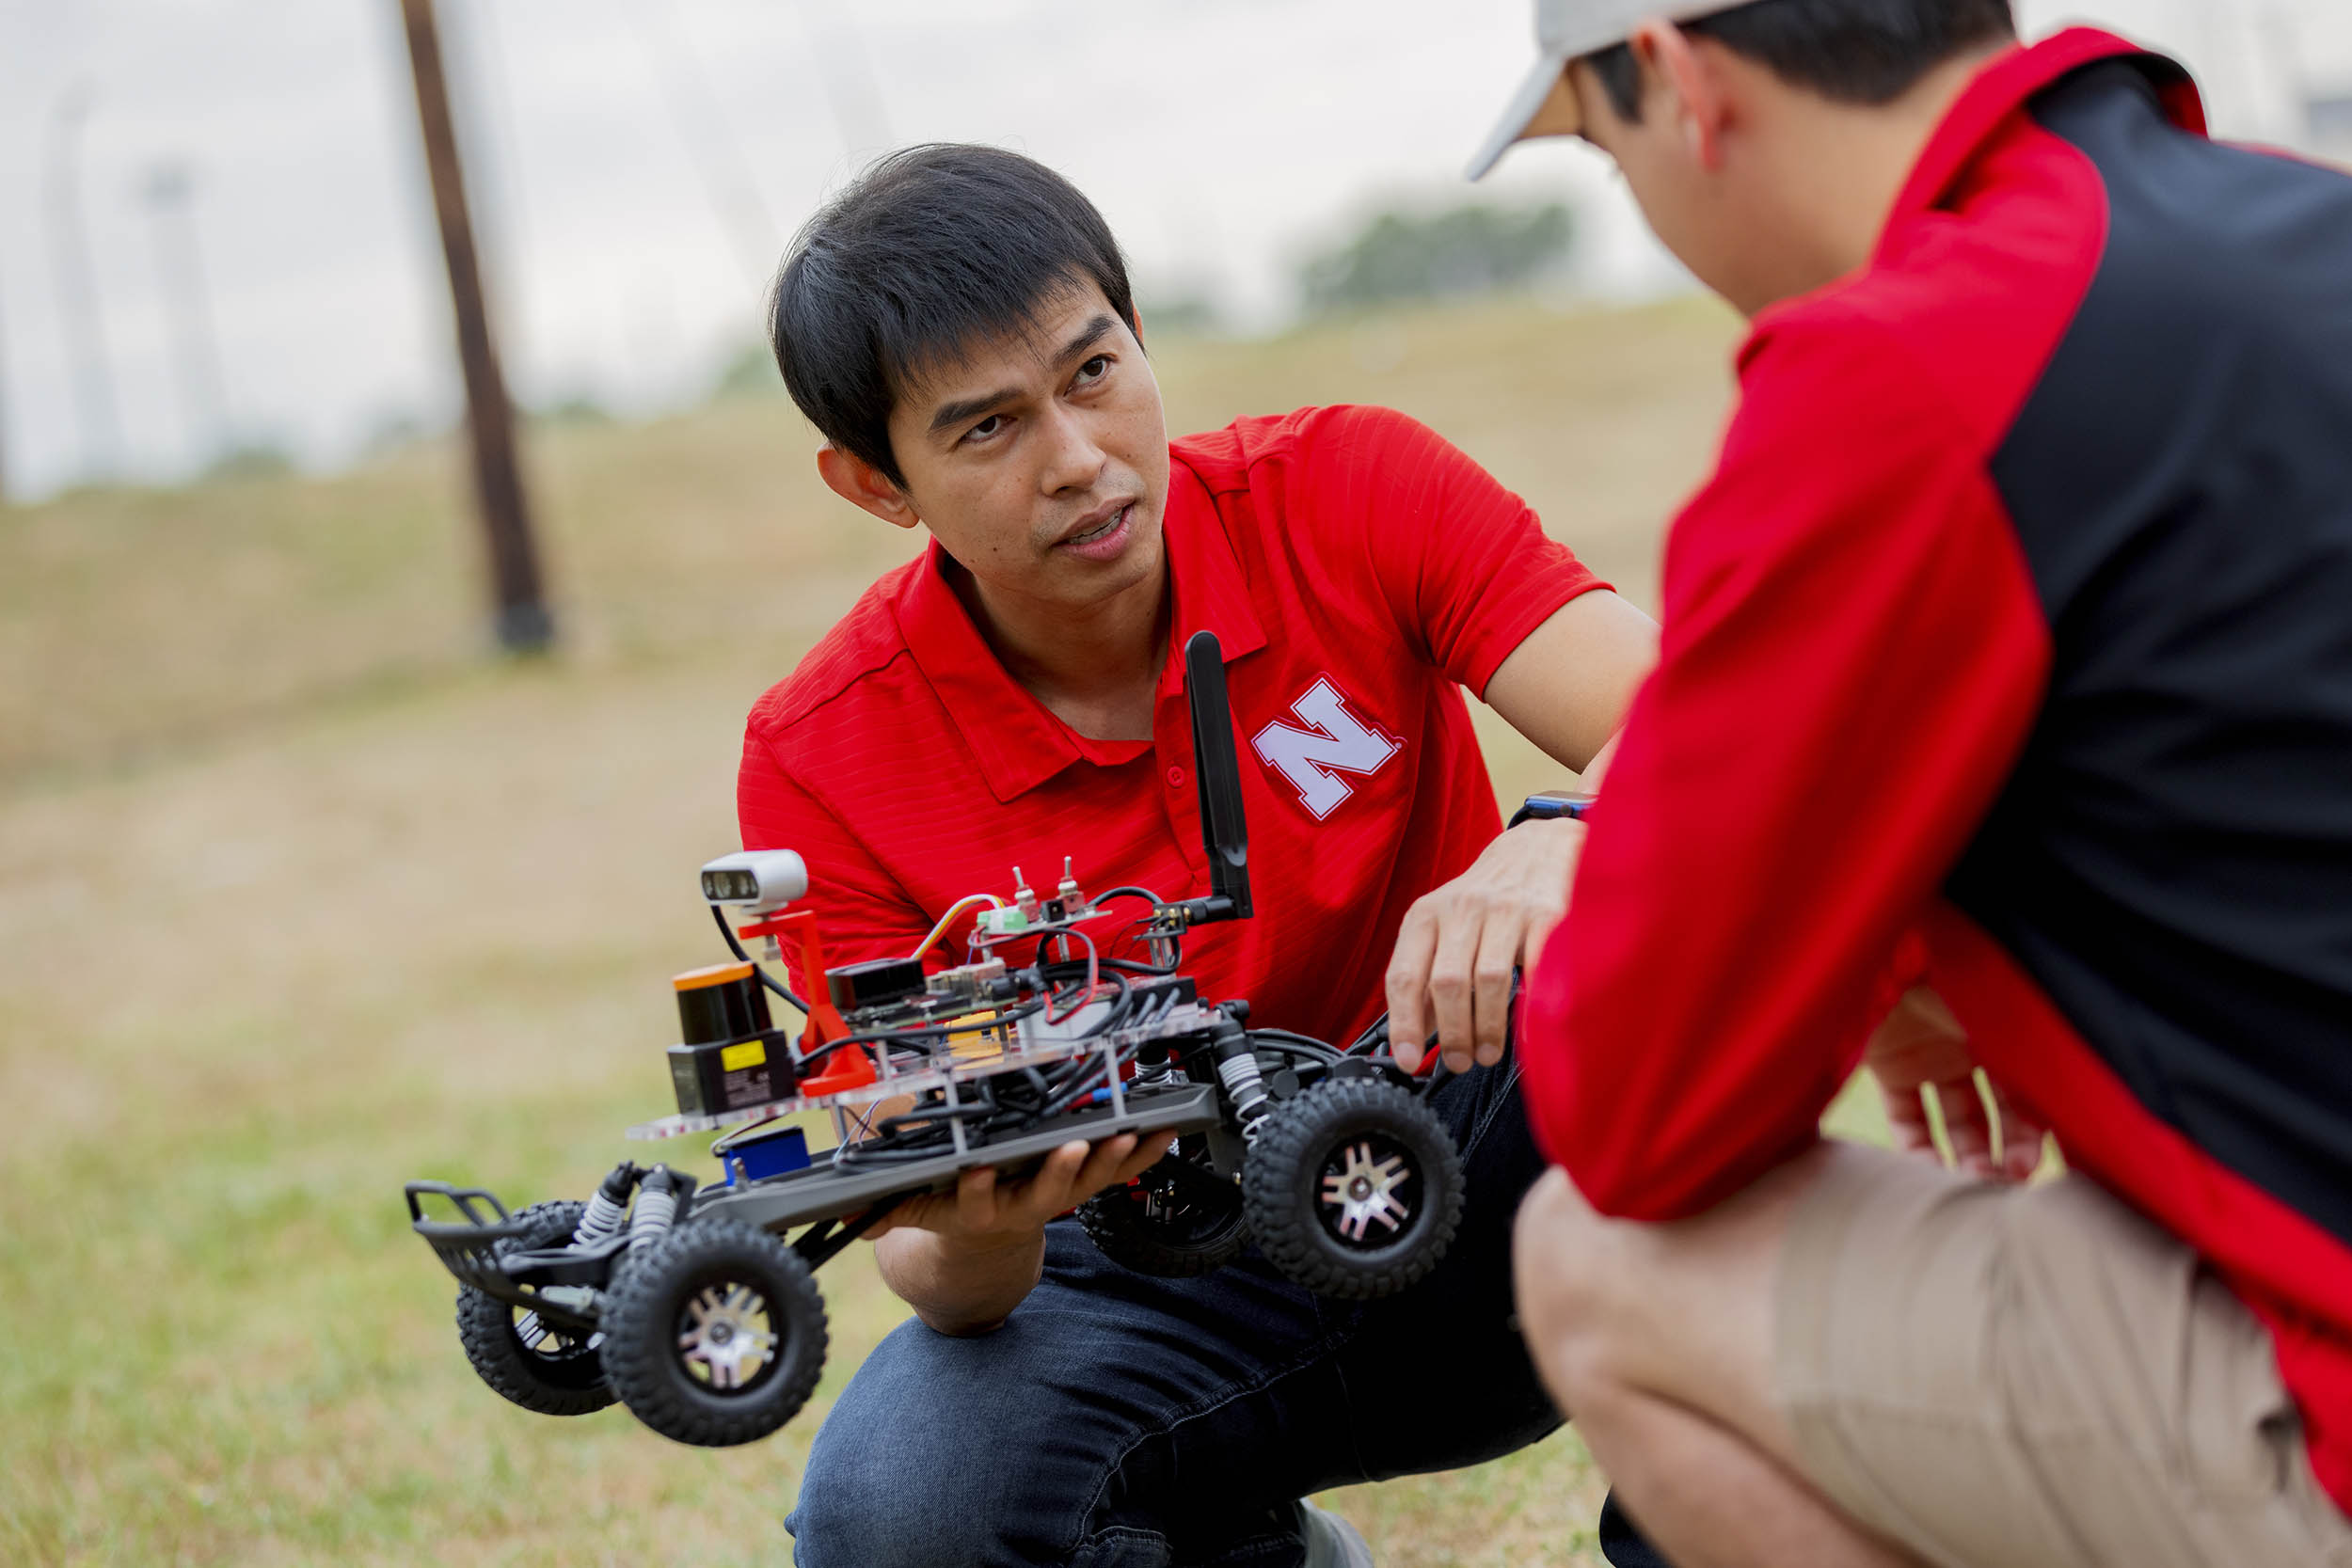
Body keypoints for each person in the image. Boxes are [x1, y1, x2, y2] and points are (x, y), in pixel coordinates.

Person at [1467, 2, 2352, 1565]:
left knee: (1600, 1265)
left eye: (1610, 159)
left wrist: (1887, 935)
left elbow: (1632, 1113)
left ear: (1673, 78)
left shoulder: (1902, 372)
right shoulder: (2300, 220)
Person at [739, 145, 1670, 1566]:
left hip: (1488, 1146)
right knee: (900, 1513)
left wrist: (1561, 839)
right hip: (1155, 1266)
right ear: (875, 483)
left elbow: (1702, 723)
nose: (1079, 458)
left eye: (1094, 371)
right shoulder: (823, 756)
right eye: (988, 430)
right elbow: (929, 1260)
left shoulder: (1349, 488)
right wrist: (988, 1228)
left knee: (1691, 907)